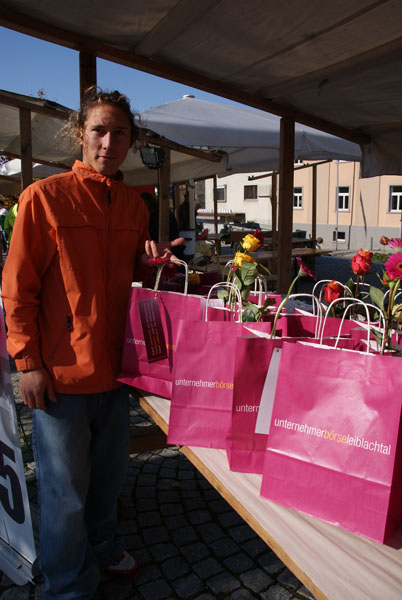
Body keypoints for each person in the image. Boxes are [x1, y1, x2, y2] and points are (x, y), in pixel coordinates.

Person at [1, 87, 183, 600]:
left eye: (118, 132)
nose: (108, 141)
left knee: (107, 479)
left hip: (117, 369)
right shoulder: (44, 196)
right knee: (64, 493)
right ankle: (66, 585)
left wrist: (151, 266)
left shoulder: (134, 205)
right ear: (81, 135)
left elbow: (130, 281)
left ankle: (102, 548)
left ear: (131, 141)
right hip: (60, 373)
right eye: (99, 130)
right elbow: (18, 288)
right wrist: (28, 362)